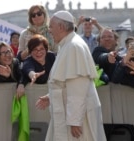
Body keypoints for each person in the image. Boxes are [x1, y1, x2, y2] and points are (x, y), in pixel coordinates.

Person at [35, 11, 106, 141]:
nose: (49, 30)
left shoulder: (73, 46)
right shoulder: (67, 44)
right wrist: (52, 95)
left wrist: (75, 121)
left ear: (61, 27)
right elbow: (67, 83)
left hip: (78, 117)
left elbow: (78, 88)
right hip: (71, 112)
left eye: (51, 26)